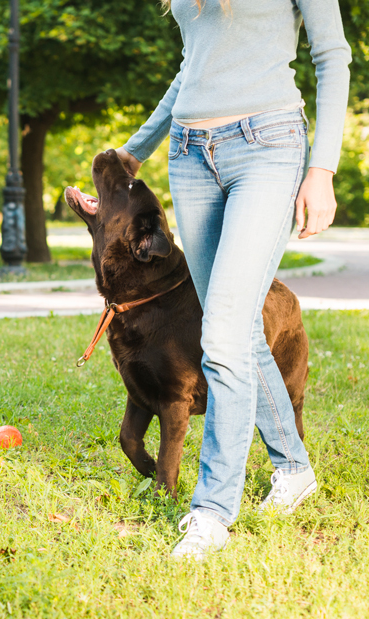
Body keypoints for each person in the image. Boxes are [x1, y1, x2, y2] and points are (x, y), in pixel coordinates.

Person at [116, 0, 351, 559]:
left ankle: (213, 511)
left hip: (268, 145)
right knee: (235, 327)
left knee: (219, 330)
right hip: (190, 155)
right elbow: (191, 70)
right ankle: (293, 469)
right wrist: (134, 150)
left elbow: (332, 56)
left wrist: (322, 170)